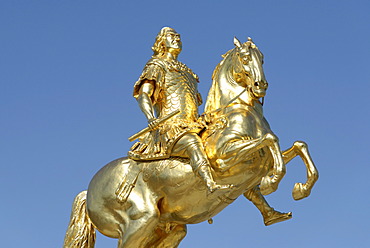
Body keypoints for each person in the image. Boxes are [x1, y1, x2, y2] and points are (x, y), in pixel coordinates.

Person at [129, 27, 229, 193]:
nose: (176, 38)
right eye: (171, 36)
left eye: (178, 36)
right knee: (192, 143)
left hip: (193, 124)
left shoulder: (186, 71)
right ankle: (210, 185)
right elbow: (144, 95)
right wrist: (150, 117)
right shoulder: (157, 65)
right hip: (170, 127)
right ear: (161, 43)